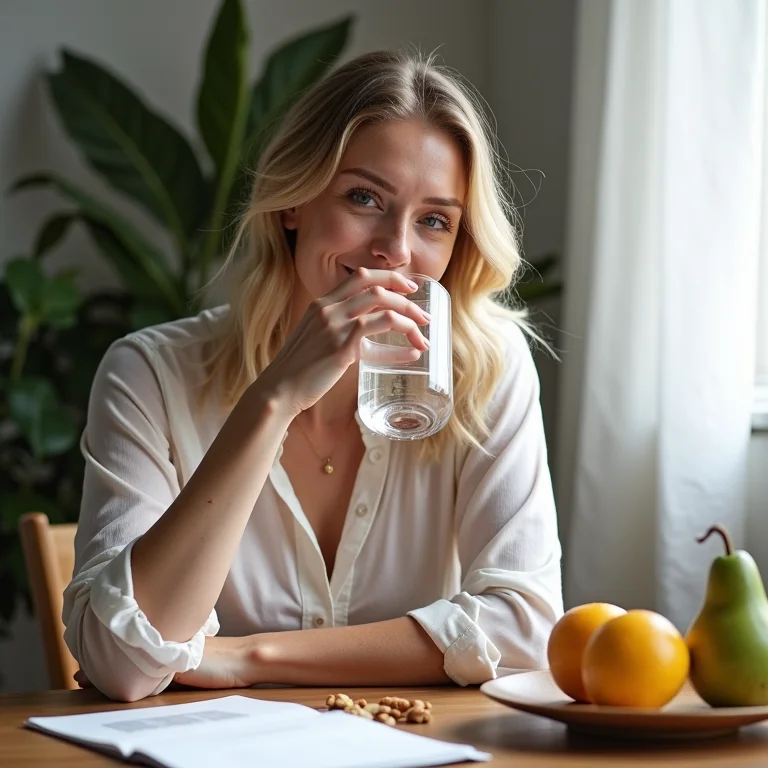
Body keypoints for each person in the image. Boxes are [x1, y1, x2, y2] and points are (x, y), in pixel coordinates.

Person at [63, 49, 564, 703]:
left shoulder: (486, 369)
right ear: (293, 202)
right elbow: (124, 664)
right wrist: (271, 401)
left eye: (434, 220)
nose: (397, 250)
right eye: (364, 198)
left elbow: (525, 631)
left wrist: (247, 657)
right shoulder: (149, 376)